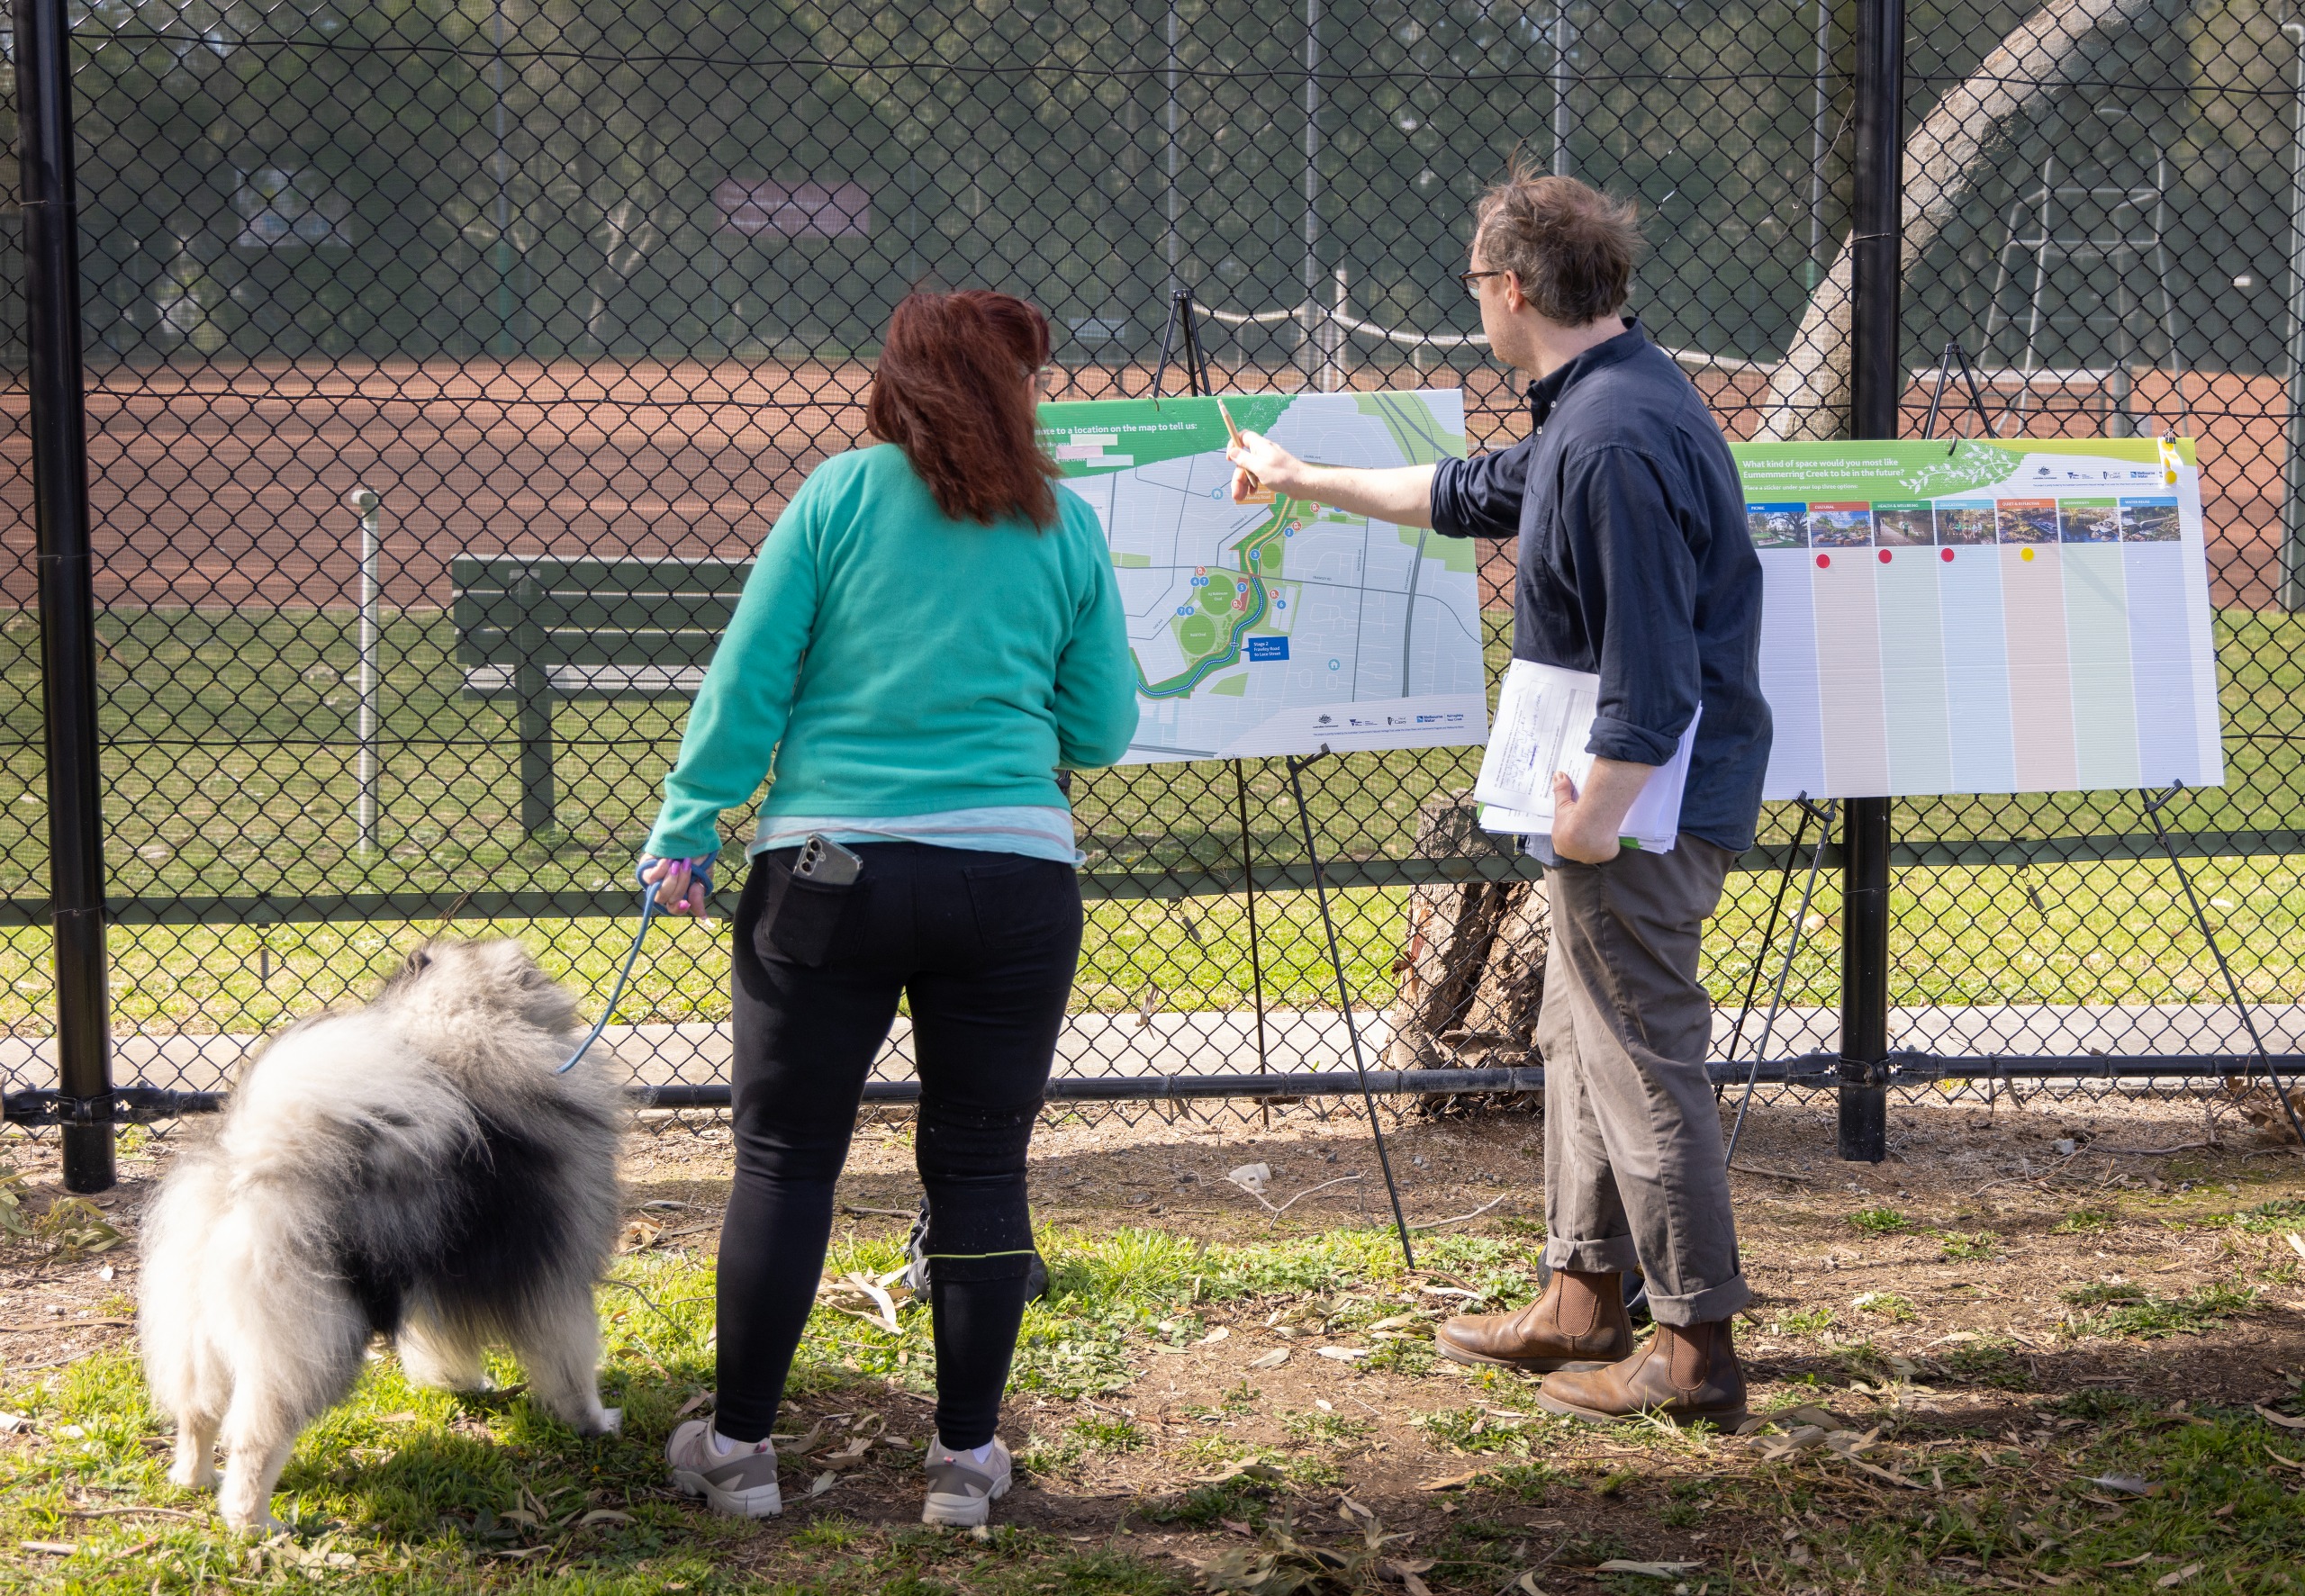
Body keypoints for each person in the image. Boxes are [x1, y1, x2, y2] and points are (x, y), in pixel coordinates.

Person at [1224, 171, 1770, 1426]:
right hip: (1620, 793)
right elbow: (1467, 493)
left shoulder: (1615, 435)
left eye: (1476, 284)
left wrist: (1596, 812)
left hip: (1636, 804)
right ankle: (1582, 1296)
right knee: (1580, 1036)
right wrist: (1298, 476)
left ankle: (1694, 1351)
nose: (1475, 302)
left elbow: (1655, 663)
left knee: (1641, 1059)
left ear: (1512, 289)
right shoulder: (1608, 401)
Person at [637, 290, 1137, 1524]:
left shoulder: (838, 496)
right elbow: (1102, 728)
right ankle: (965, 1462)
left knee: (784, 1155)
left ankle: (739, 1450)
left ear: (896, 381)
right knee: (980, 1162)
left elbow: (750, 679)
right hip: (1013, 881)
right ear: (1018, 393)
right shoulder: (1063, 522)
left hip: (826, 874)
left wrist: (691, 820)